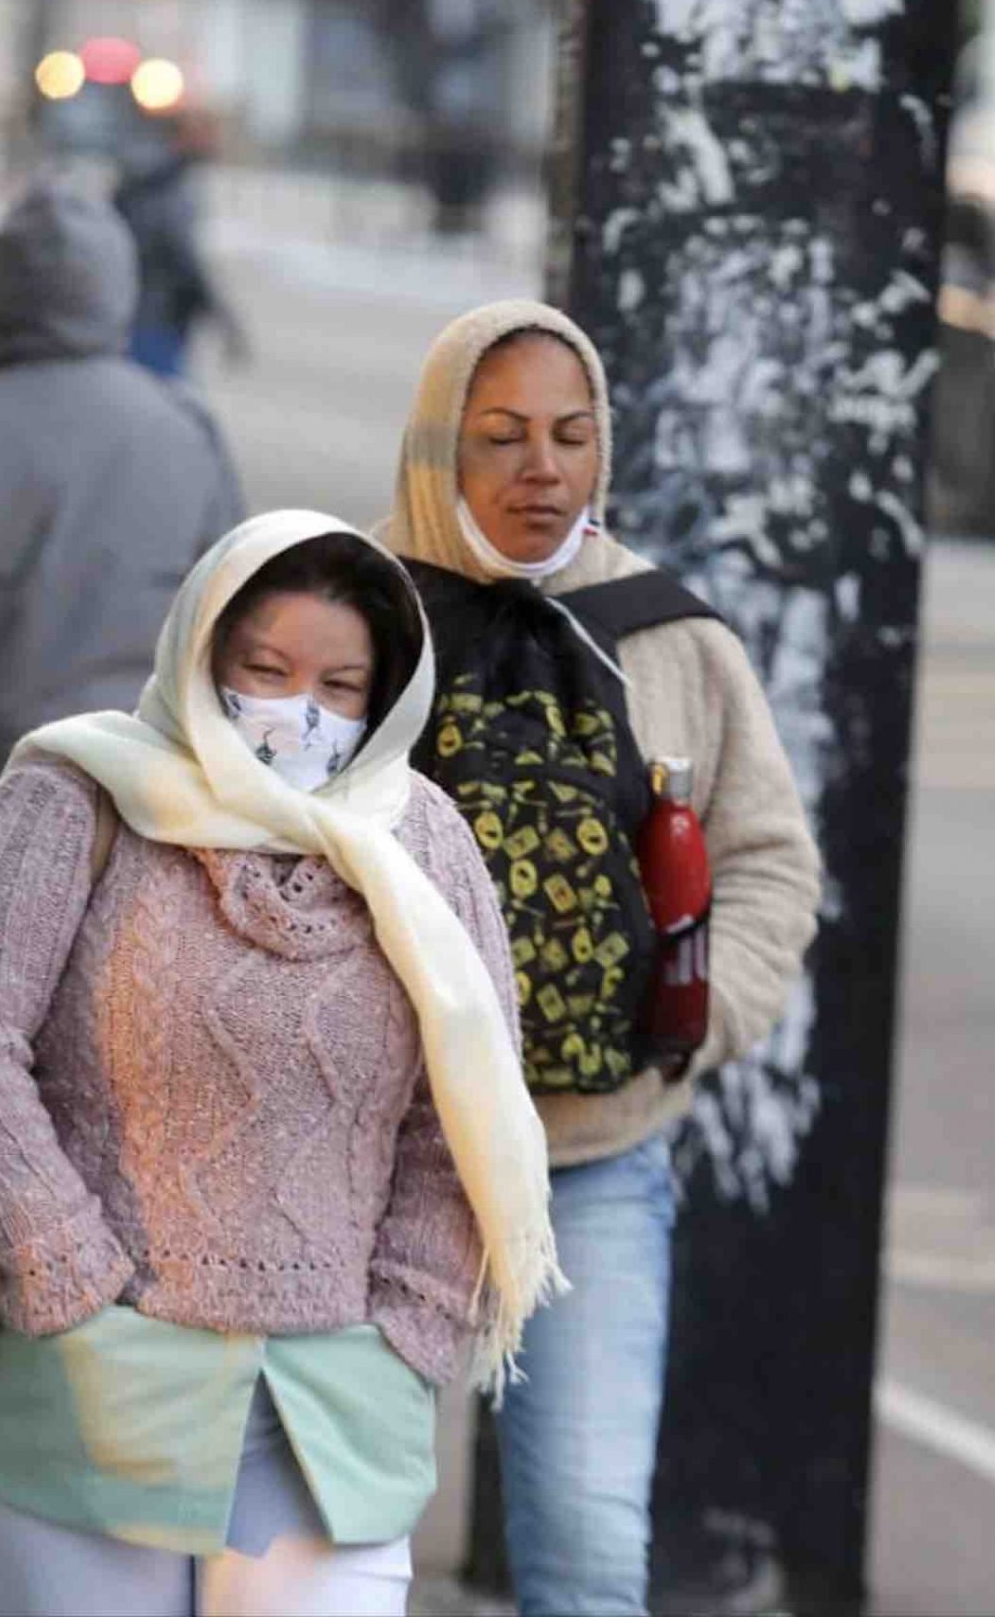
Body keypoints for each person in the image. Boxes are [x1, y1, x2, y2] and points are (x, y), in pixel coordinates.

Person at [0, 511, 564, 1617]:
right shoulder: (75, 795)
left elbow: (462, 1102)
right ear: (202, 653)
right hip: (93, 1382)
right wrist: (59, 1265)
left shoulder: (424, 842)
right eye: (267, 668)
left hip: (336, 1405)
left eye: (341, 684)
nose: (301, 708)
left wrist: (417, 1317)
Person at [380, 300, 822, 1615]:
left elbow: (770, 860)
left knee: (583, 1553)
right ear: (436, 451)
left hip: (592, 1162)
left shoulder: (667, 634)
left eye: (572, 437)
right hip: (360, 1160)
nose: (544, 469)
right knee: (322, 1549)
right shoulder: (354, 615)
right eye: (502, 435)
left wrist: (701, 1015)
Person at [0, 179, 243, 852]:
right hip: (152, 780)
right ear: (119, 288)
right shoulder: (187, 428)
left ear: (1, 289)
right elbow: (234, 624)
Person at [112, 110, 247, 380]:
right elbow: (183, 258)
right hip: (155, 318)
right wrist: (223, 318)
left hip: (132, 312)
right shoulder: (166, 185)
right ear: (184, 136)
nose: (213, 142)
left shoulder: (144, 176)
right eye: (206, 133)